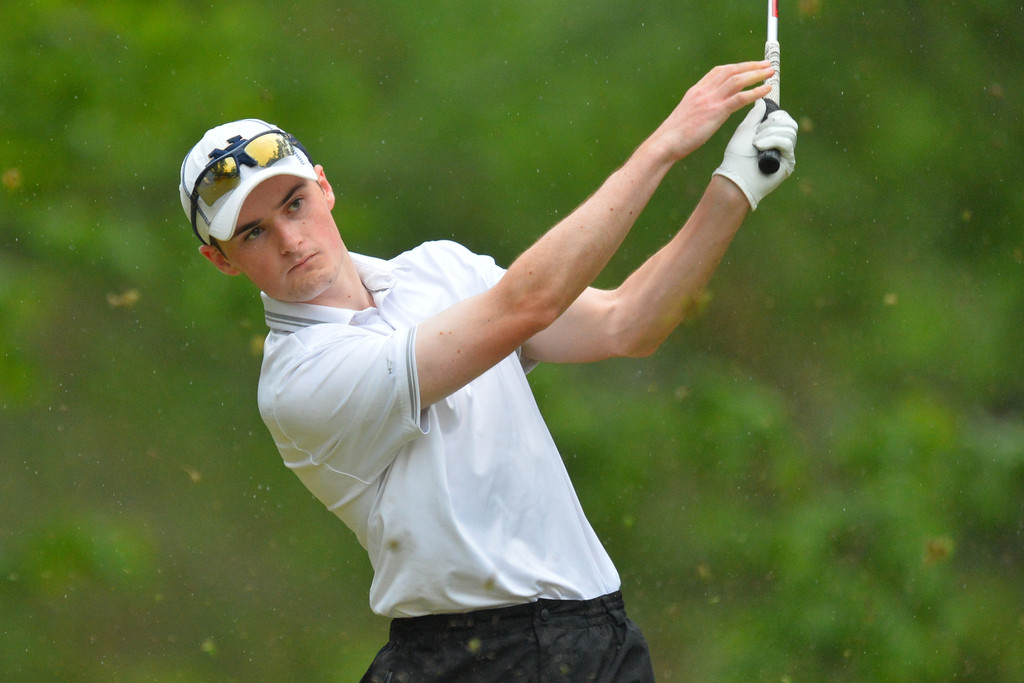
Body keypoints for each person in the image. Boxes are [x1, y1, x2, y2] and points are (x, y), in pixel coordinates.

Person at [178, 60, 797, 682]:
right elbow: (528, 303)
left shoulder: (441, 269)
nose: (290, 238)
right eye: (254, 232)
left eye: (295, 203)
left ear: (324, 186)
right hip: (468, 658)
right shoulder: (298, 381)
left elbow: (626, 323)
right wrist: (665, 144)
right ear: (220, 260)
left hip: (599, 639)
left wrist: (734, 185)